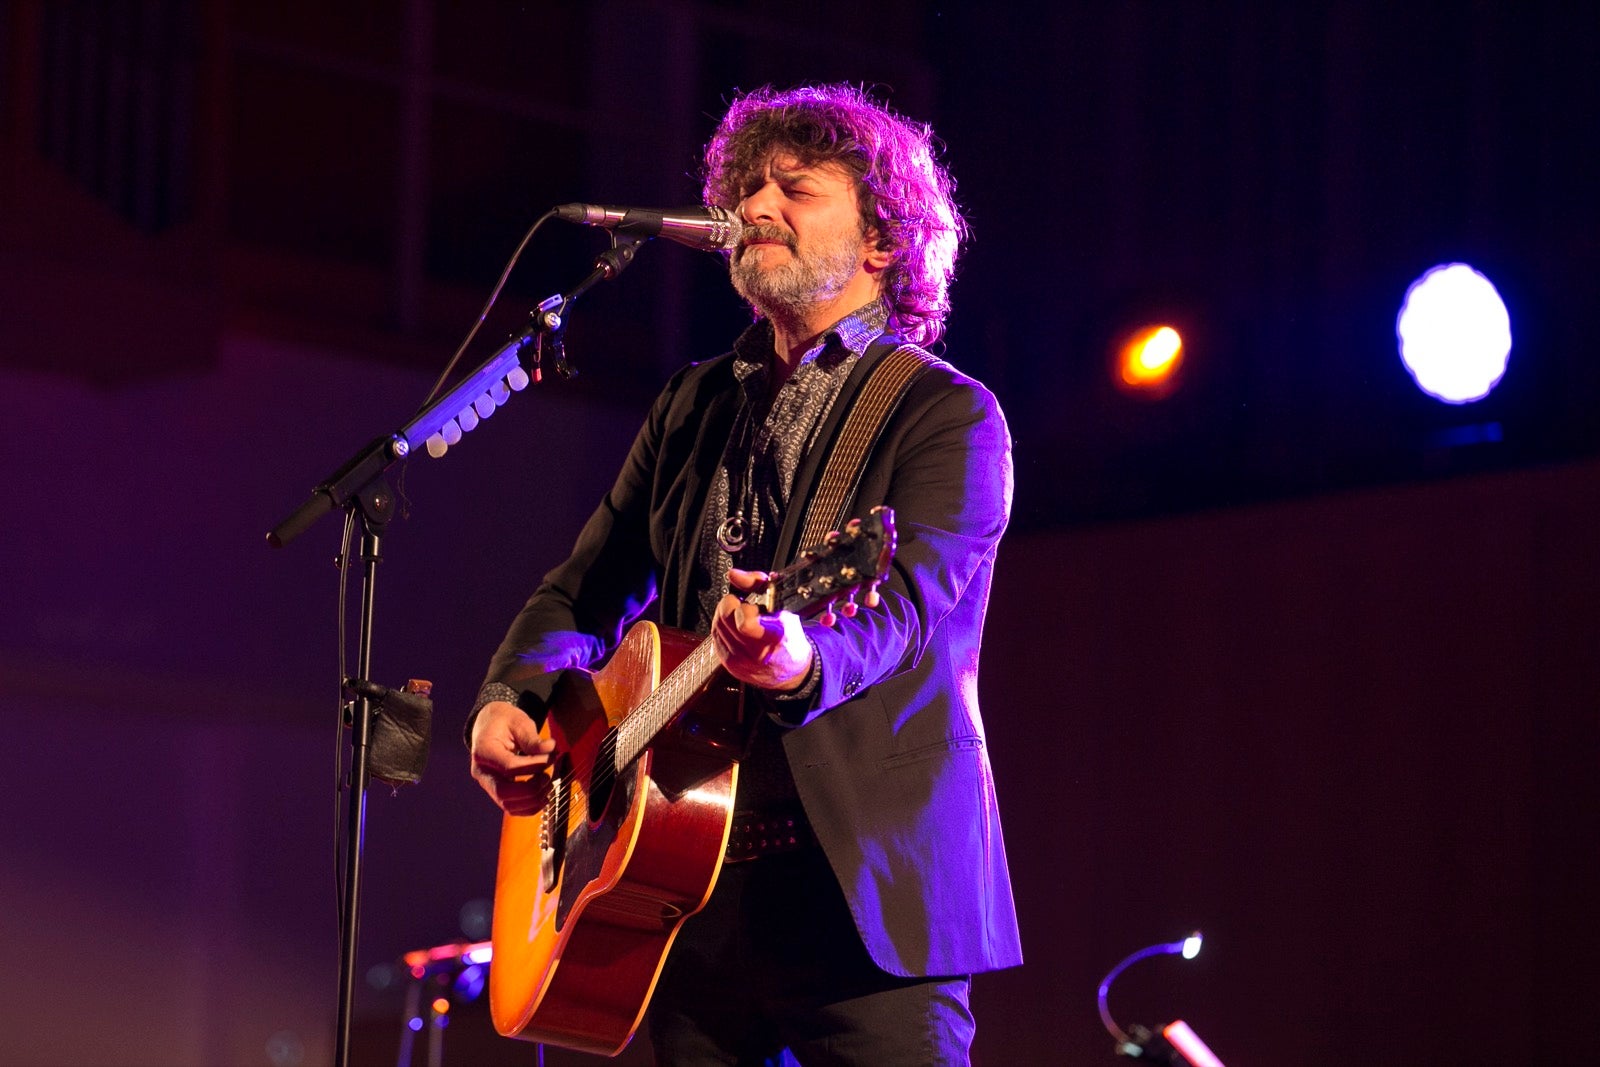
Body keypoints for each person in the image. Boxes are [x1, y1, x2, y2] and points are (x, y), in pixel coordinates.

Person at [466, 83, 1022, 1065]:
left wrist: (799, 653)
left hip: (867, 901)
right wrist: (511, 693)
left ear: (883, 241)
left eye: (795, 189)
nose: (755, 206)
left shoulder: (947, 415)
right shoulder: (691, 405)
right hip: (685, 888)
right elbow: (583, 586)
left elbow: (908, 606)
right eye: (747, 185)